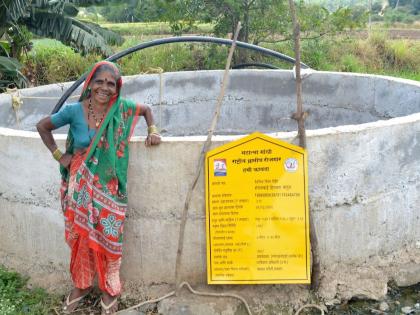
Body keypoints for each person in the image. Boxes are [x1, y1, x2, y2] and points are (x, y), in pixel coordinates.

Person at [36, 61, 161, 314]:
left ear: (117, 88)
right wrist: (60, 155)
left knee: (110, 238)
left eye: (111, 84)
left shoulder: (122, 109)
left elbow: (147, 110)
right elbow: (42, 126)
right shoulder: (74, 110)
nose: (105, 87)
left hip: (109, 190)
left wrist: (153, 130)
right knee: (80, 237)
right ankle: (81, 285)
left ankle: (109, 289)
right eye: (100, 81)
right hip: (79, 187)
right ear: (90, 84)